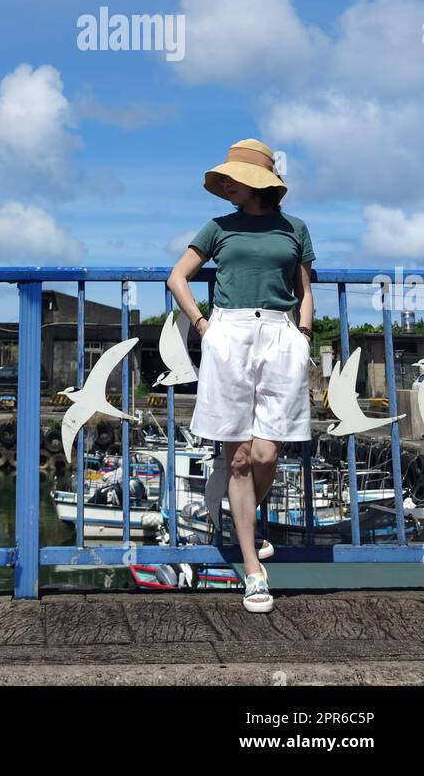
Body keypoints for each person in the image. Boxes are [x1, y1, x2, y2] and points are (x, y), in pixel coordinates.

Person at [167, 138, 315, 614]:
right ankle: (253, 569)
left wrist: (304, 334)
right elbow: (178, 278)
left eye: (233, 179)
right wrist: (206, 328)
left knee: (269, 451)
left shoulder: (294, 229)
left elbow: (303, 288)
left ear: (256, 183)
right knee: (238, 457)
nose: (225, 185)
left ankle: (244, 513)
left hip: (279, 332)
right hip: (229, 331)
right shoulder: (218, 228)